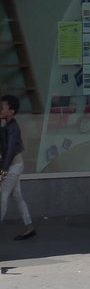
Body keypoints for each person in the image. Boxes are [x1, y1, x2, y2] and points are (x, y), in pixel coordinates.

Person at [0, 93, 35, 240]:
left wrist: (3, 170)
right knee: (16, 195)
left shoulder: (12, 127)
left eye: (2, 107)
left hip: (13, 165)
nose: (0, 109)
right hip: (14, 164)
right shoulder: (7, 125)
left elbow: (10, 151)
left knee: (2, 195)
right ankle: (29, 226)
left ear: (11, 111)